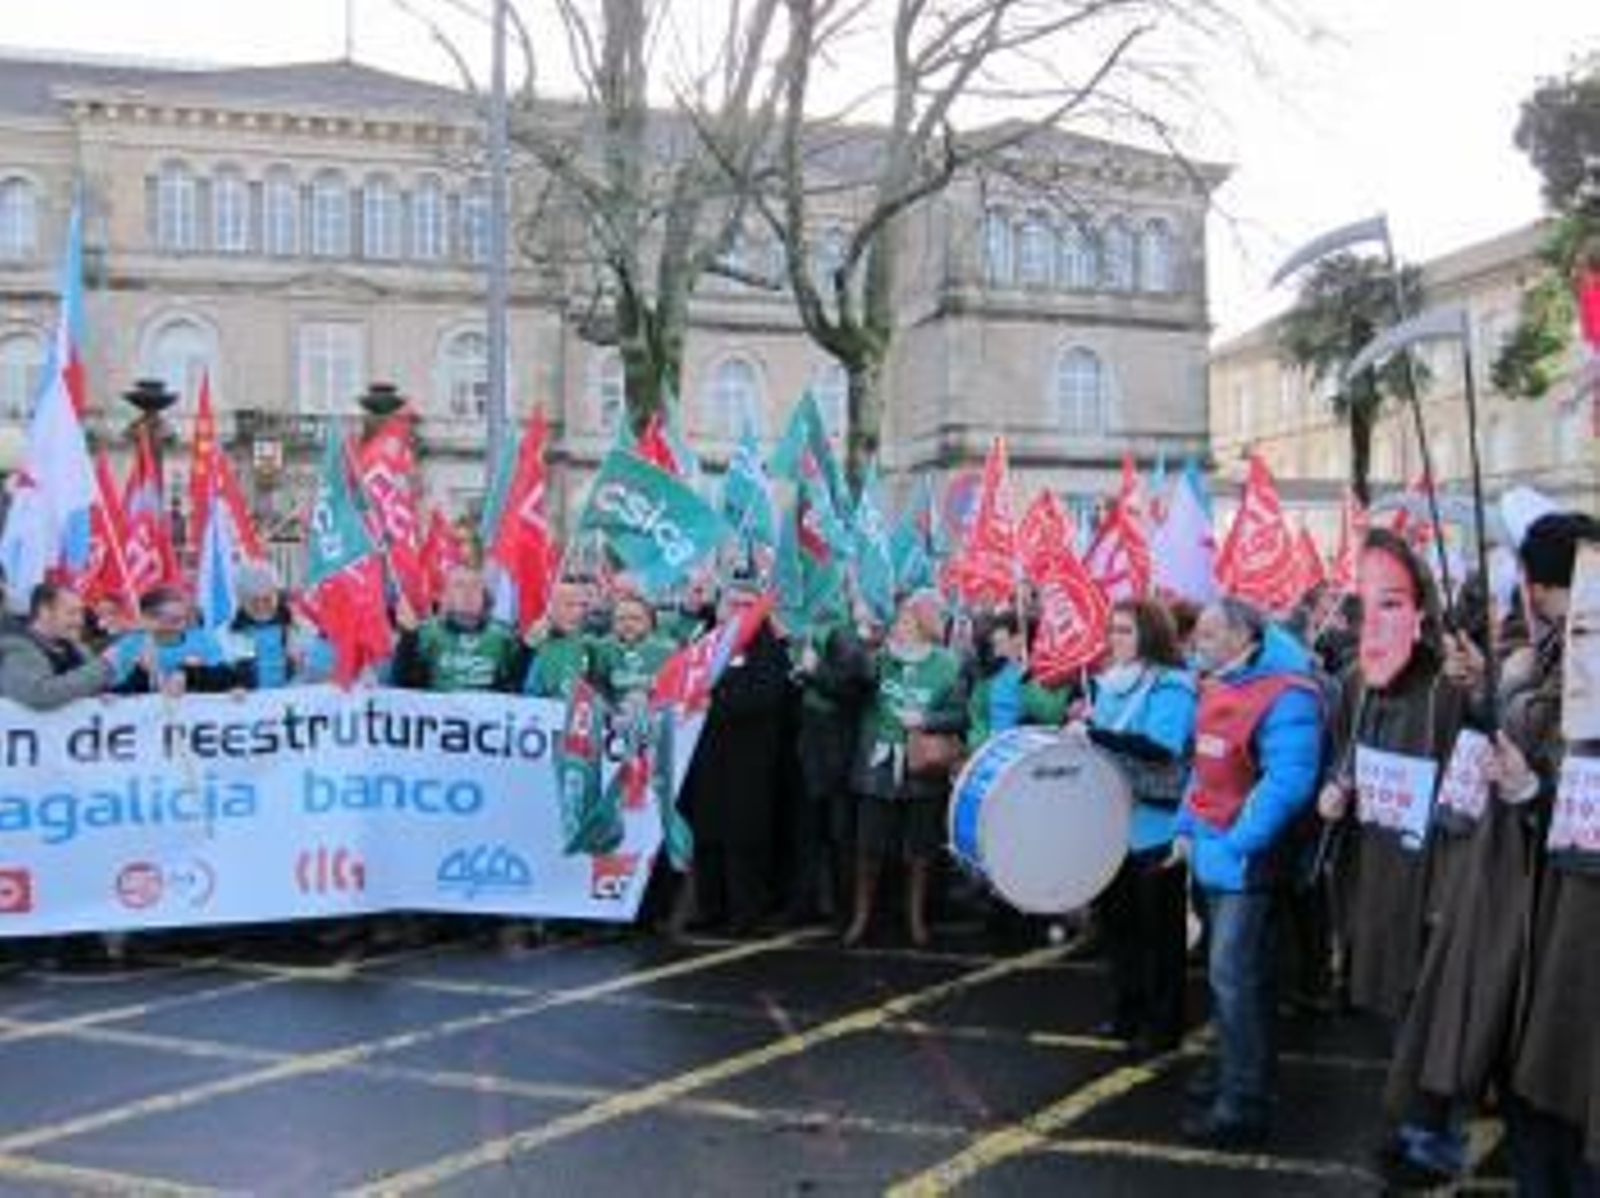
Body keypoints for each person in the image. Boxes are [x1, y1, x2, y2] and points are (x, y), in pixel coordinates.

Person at [1313, 529, 1470, 1180]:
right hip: (1371, 875)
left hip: (1433, 878)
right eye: (1367, 601)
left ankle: (1434, 1140)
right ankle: (1408, 1125)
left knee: (1432, 1011)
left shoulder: (1450, 689)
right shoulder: (1356, 681)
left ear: (1422, 609)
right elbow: (1345, 754)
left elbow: (1478, 787)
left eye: (1394, 602)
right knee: (1387, 1006)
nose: (1376, 619)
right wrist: (1336, 786)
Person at [1173, 596, 1323, 1147]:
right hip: (1217, 851)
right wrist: (1186, 828)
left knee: (1235, 978)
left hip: (1248, 861)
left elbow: (1288, 783)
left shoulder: (1287, 693)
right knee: (1234, 978)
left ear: (1243, 637)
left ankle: (1243, 1103)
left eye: (1210, 634)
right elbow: (1204, 769)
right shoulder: (1218, 684)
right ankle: (1237, 1071)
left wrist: (1237, 845)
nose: (1198, 643)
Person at [1079, 598, 1197, 1056]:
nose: (1116, 638)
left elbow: (1161, 747)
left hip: (1158, 827)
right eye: (1113, 629)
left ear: (1150, 634)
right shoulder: (1110, 682)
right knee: (1119, 927)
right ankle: (1127, 1013)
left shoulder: (1173, 685)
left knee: (1160, 937)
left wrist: (1094, 735)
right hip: (1113, 823)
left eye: (1126, 630)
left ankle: (1164, 1025)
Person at [845, 590, 965, 948]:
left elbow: (960, 715)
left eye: (909, 619)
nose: (901, 625)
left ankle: (915, 920)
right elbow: (856, 678)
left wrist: (926, 719)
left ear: (925, 623)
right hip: (879, 764)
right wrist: (865, 637)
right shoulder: (881, 658)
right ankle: (861, 917)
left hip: (921, 763)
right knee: (868, 847)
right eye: (899, 619)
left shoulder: (947, 663)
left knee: (919, 849)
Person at [679, 582, 791, 935]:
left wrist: (713, 705)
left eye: (746, 605)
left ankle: (745, 913)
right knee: (707, 832)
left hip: (750, 758)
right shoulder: (705, 641)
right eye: (731, 604)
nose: (737, 611)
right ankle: (711, 908)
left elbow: (766, 696)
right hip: (706, 755)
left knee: (744, 837)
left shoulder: (767, 647)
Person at [788, 611, 875, 925]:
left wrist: (813, 672)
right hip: (814, 752)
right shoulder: (816, 632)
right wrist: (804, 674)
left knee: (840, 836)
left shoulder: (844, 636)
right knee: (809, 835)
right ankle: (809, 904)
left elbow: (850, 689)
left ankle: (843, 909)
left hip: (838, 756)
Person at [392, 565, 523, 693]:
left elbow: (518, 686)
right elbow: (403, 685)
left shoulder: (504, 637)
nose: (468, 593)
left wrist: (527, 649)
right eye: (459, 585)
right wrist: (408, 638)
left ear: (484, 595)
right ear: (445, 596)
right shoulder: (425, 634)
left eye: (475, 586)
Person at [964, 610, 1069, 750]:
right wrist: (980, 741)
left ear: (1019, 639)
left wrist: (1027, 681)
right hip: (990, 750)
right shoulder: (990, 670)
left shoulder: (1051, 671)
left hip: (1029, 750)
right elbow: (977, 714)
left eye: (1001, 638)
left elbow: (1051, 715)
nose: (994, 641)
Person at [108, 585, 242, 695]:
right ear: (146, 618)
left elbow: (227, 678)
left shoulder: (204, 640)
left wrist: (193, 673)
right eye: (168, 620)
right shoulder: (130, 645)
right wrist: (111, 697)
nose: (178, 626)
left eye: (182, 619)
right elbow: (123, 690)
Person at [0, 583, 114, 709]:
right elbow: (38, 694)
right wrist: (105, 667)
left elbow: (93, 681)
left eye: (81, 613)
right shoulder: (17, 646)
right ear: (45, 612)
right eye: (71, 613)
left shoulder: (75, 647)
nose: (80, 621)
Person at [226, 561, 299, 690]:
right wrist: (235, 685)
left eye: (267, 599)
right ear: (242, 600)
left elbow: (306, 665)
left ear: (276, 596)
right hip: (254, 696)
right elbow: (231, 669)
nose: (261, 606)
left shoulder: (290, 623)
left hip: (288, 692)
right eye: (254, 601)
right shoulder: (236, 629)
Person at [523, 578, 594, 701]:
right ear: (551, 608)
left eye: (583, 605)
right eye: (569, 605)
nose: (578, 612)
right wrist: (526, 649)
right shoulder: (532, 646)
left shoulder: (592, 646)